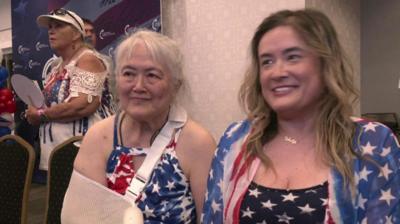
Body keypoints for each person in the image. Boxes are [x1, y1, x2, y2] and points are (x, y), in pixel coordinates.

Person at [202, 9, 400, 224]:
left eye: (293, 57)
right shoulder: (235, 139)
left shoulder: (373, 141)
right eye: (267, 61)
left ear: (326, 65)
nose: (277, 72)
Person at [64, 30, 216, 223]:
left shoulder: (197, 143)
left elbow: (212, 218)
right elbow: (82, 219)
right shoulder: (98, 137)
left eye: (152, 75)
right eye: (128, 74)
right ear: (116, 80)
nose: (138, 86)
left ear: (175, 85)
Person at [26, 8, 114, 171]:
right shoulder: (56, 67)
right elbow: (46, 105)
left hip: (84, 153)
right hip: (59, 155)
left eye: (58, 26)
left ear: (75, 34)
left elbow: (83, 104)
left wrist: (41, 114)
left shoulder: (87, 59)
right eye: (50, 27)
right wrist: (34, 111)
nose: (51, 31)